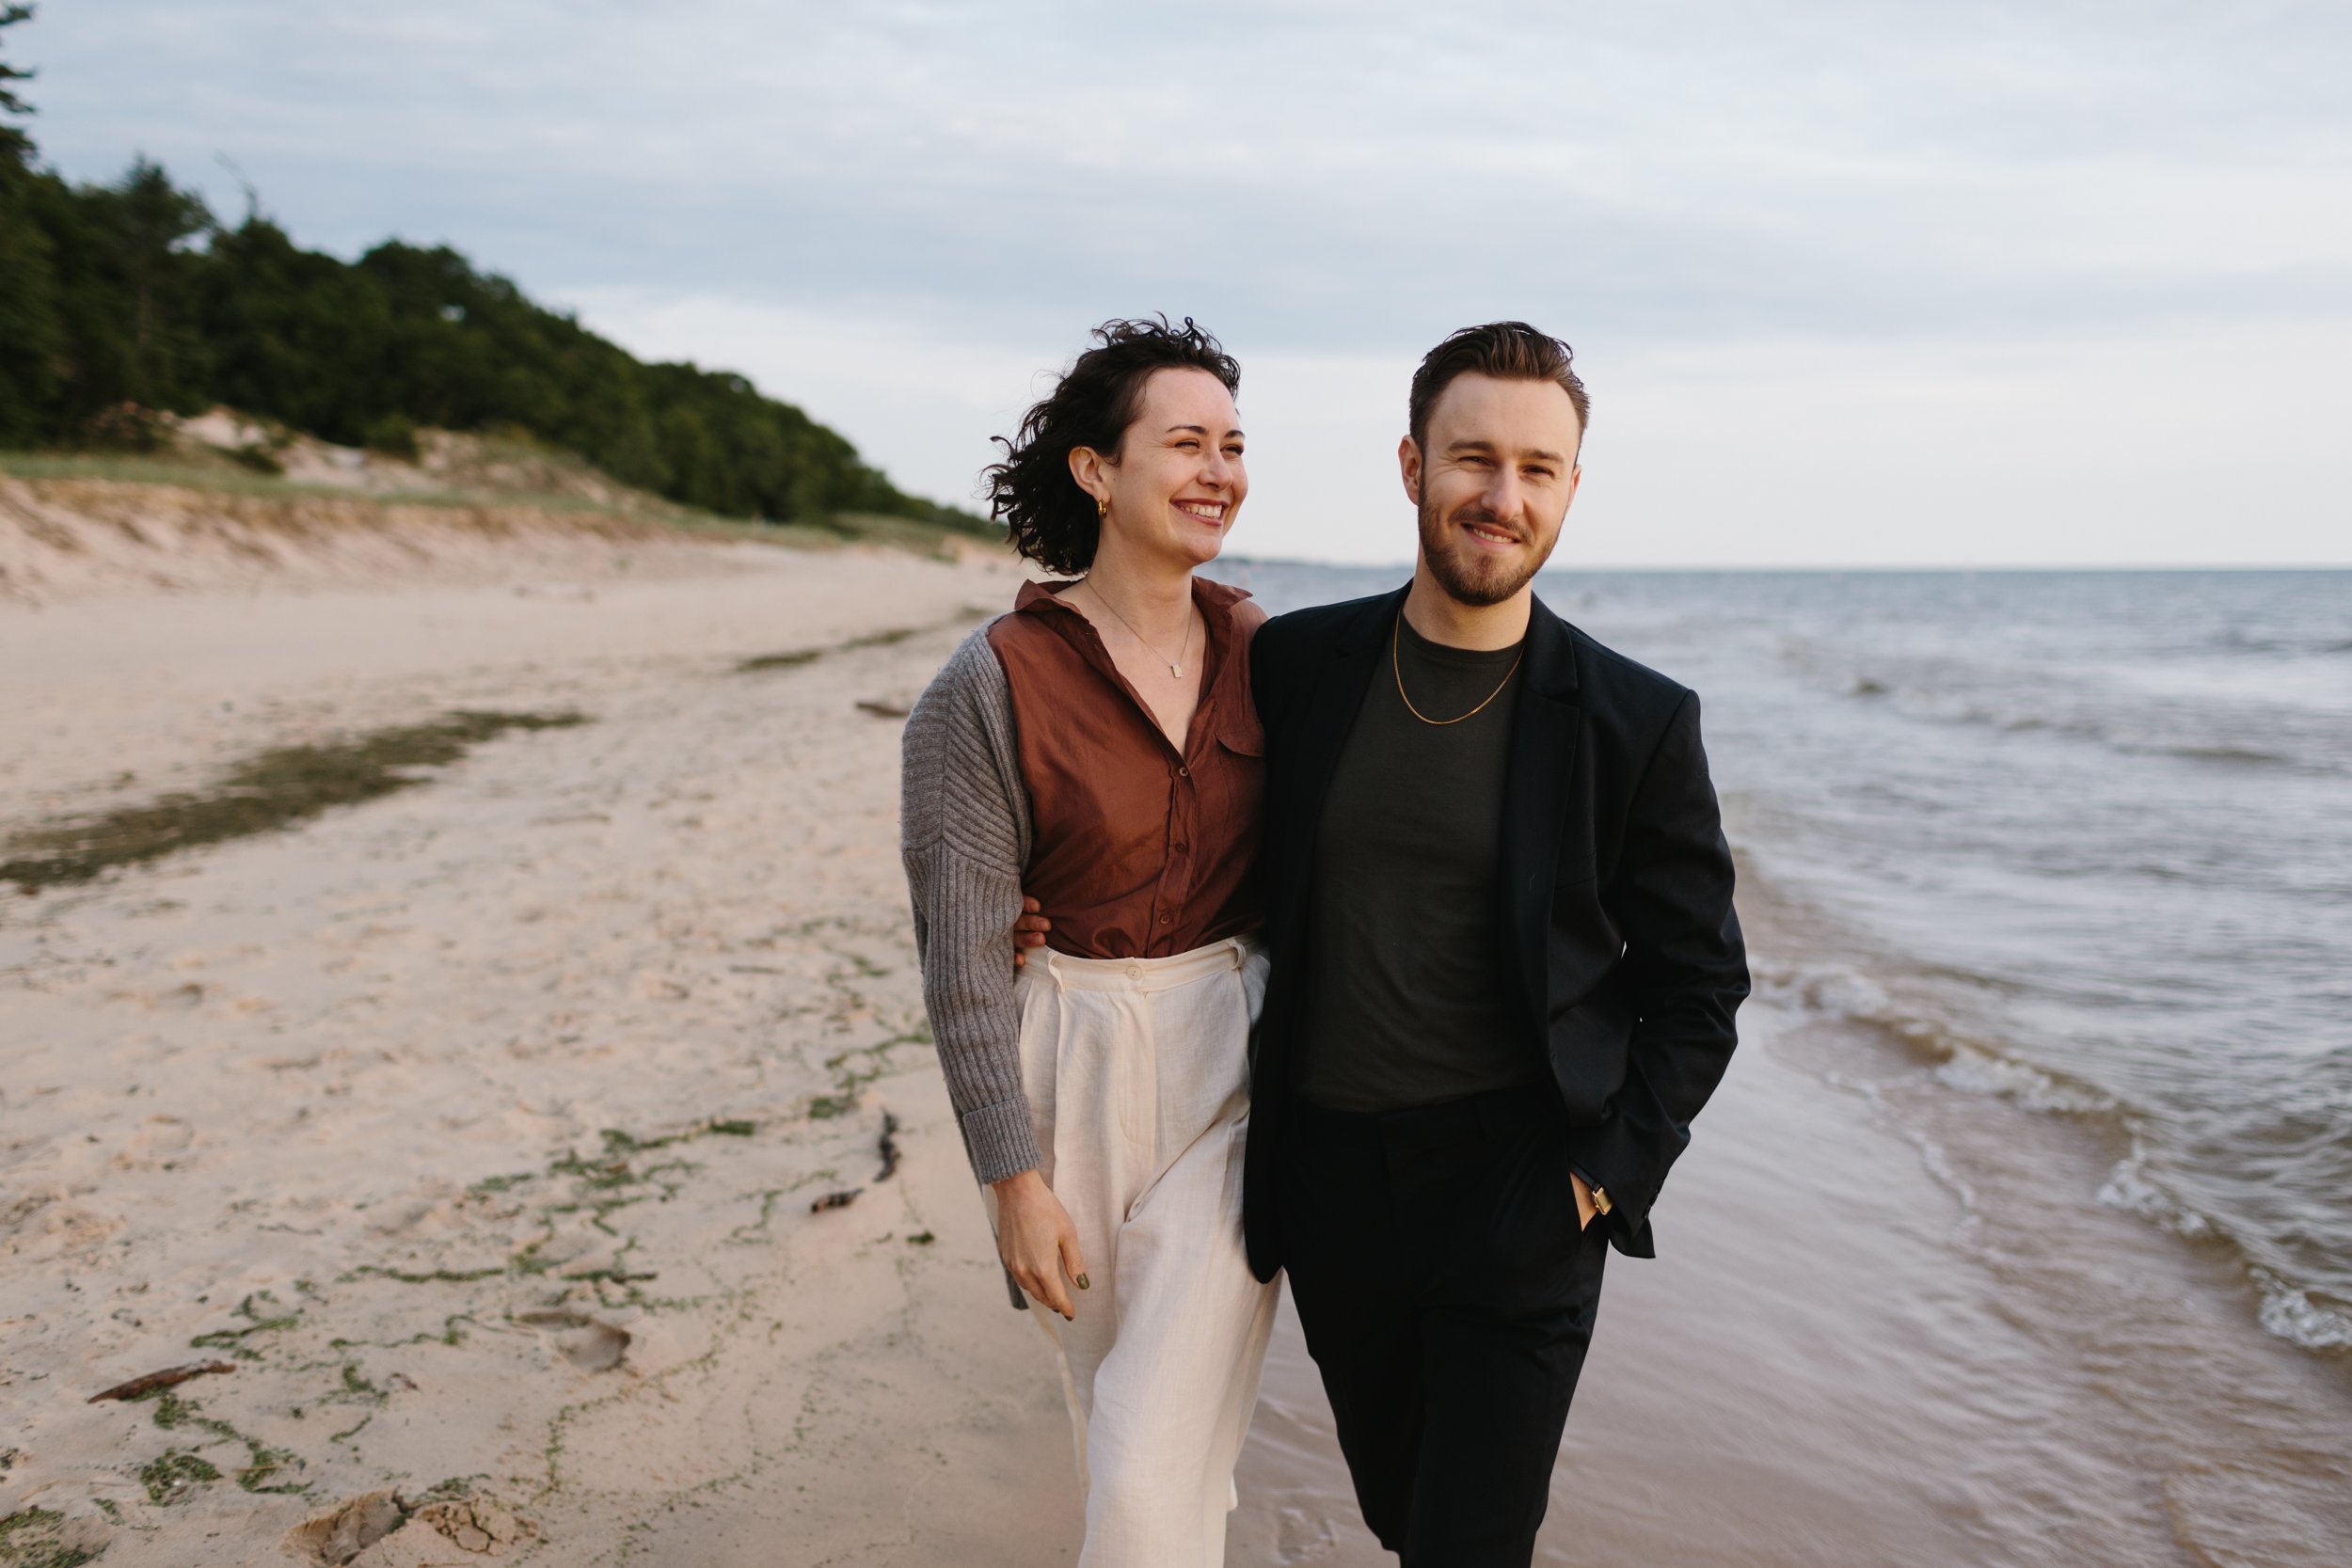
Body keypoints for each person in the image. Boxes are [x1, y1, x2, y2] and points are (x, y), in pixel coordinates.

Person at [1238, 322, 1750, 1565]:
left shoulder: (1632, 720)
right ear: (1414, 466)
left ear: (1571, 488)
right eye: (1475, 460)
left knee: (1470, 1547)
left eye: (1537, 468)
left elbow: (1701, 985)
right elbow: (1193, 848)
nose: (1501, 497)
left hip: (1523, 1191)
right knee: (1404, 1515)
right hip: (1333, 1184)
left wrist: (1601, 1175)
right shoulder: (1300, 665)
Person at [898, 316, 1279, 1567]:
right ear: (1096, 471)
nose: (1217, 470)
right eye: (1185, 442)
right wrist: (1011, 1181)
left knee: (1145, 1438)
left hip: (1241, 1059)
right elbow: (959, 976)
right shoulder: (986, 685)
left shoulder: (1266, 654)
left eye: (1232, 444)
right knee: (1143, 1423)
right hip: (1075, 1062)